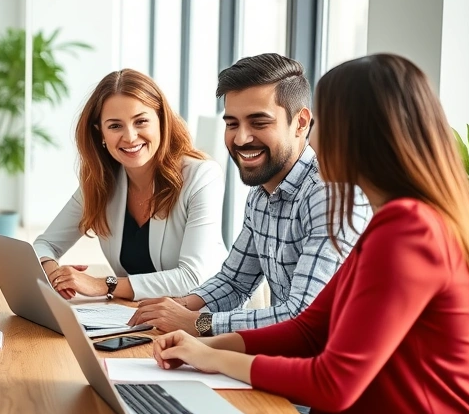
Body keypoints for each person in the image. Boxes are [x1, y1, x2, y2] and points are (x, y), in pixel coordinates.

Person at [150, 53, 469, 414]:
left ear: (362, 135)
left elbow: (333, 384)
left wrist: (212, 356)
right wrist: (202, 347)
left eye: (325, 124)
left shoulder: (411, 228)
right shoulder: (392, 221)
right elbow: (311, 328)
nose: (316, 138)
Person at [128, 53, 367, 336]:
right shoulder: (262, 193)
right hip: (289, 358)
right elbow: (235, 282)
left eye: (259, 122)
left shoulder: (327, 197)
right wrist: (177, 306)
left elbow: (302, 316)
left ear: (301, 123)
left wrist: (196, 323)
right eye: (232, 124)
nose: (241, 139)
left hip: (332, 369)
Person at [33, 69, 227, 301]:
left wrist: (104, 284)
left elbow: (192, 278)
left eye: (141, 121)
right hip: (136, 317)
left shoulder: (201, 175)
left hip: (202, 320)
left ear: (161, 122)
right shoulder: (102, 182)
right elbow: (44, 244)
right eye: (115, 126)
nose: (130, 137)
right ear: (100, 134)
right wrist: (54, 273)